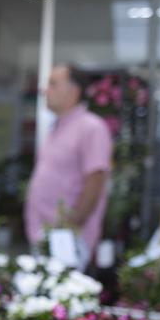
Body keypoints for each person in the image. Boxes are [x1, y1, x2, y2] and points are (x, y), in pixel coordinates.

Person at [25, 64, 113, 263]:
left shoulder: (91, 128)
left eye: (53, 84)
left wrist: (68, 230)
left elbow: (95, 182)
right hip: (45, 237)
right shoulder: (56, 127)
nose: (45, 90)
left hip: (66, 242)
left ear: (73, 92)